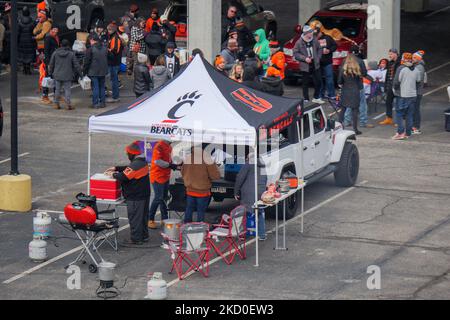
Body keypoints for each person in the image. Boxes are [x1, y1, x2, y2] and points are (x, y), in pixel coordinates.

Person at [106, 142, 151, 245]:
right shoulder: (142, 162)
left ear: (133, 154)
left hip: (135, 196)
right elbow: (129, 168)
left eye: (128, 153)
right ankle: (144, 236)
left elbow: (124, 176)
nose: (127, 155)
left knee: (135, 218)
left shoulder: (135, 165)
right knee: (143, 217)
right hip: (143, 195)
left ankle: (136, 239)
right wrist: (116, 168)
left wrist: (113, 174)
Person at [181, 146, 220, 223]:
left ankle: (186, 228)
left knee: (189, 209)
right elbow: (215, 176)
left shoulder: (188, 157)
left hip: (190, 190)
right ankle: (199, 229)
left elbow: (182, 171)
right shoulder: (207, 159)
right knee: (200, 212)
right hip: (202, 191)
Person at [234, 151, 267, 241]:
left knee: (245, 212)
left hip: (249, 192)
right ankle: (262, 234)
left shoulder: (248, 164)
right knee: (259, 211)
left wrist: (236, 192)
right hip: (261, 191)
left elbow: (240, 178)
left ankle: (242, 234)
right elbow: (265, 178)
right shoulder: (263, 165)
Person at [148, 140, 178, 229]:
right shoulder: (159, 146)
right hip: (157, 176)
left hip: (165, 176)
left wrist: (175, 164)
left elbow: (169, 159)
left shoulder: (169, 146)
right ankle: (150, 219)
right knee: (158, 197)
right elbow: (158, 161)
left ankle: (164, 219)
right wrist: (170, 165)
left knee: (164, 198)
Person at [391, 53, 421, 140]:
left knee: (399, 114)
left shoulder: (401, 68)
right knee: (409, 115)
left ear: (403, 59)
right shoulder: (415, 69)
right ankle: (408, 133)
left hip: (402, 95)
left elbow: (396, 82)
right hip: (413, 95)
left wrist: (394, 90)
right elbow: (418, 81)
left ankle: (400, 133)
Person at [343, 45, 373, 128]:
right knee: (362, 104)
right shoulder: (360, 61)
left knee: (349, 104)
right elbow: (364, 73)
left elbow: (340, 73)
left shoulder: (345, 61)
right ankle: (363, 122)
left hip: (347, 86)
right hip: (358, 86)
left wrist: (341, 83)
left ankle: (347, 121)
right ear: (357, 52)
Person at [48, 39, 81, 110]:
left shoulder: (55, 53)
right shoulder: (71, 54)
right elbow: (76, 65)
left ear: (60, 45)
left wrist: (50, 73)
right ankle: (68, 105)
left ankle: (56, 104)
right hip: (68, 74)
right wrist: (80, 74)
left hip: (57, 74)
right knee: (67, 90)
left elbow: (51, 64)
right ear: (68, 45)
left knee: (57, 90)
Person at [293, 25, 323, 104]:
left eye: (312, 32)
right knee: (305, 82)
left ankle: (316, 97)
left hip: (315, 63)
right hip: (305, 65)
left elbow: (320, 48)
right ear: (306, 33)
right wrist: (304, 58)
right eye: (310, 32)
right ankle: (306, 98)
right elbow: (295, 53)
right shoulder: (299, 42)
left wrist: (318, 57)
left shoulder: (314, 40)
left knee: (319, 81)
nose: (312, 33)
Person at [338, 54, 364, 135]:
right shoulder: (357, 70)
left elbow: (339, 81)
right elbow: (360, 83)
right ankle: (355, 129)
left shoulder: (343, 70)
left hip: (345, 90)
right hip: (355, 91)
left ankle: (339, 127)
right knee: (355, 111)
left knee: (343, 110)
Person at [310, 20, 337, 99]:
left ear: (320, 33)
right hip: (318, 62)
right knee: (319, 80)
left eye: (316, 35)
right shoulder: (313, 39)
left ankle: (331, 94)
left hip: (327, 62)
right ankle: (320, 95)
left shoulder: (328, 38)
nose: (316, 36)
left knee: (329, 79)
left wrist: (329, 50)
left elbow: (335, 46)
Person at [83, 34, 108, 108]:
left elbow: (87, 62)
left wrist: (84, 72)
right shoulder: (104, 48)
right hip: (103, 70)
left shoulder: (90, 49)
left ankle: (95, 103)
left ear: (92, 40)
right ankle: (103, 103)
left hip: (93, 71)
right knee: (102, 87)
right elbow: (110, 56)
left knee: (95, 87)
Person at [379, 48, 400, 125]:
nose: (389, 55)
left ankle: (398, 121)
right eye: (389, 54)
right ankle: (389, 118)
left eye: (391, 54)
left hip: (397, 87)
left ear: (395, 54)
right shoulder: (390, 63)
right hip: (389, 85)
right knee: (388, 102)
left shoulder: (400, 62)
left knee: (398, 104)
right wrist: (385, 86)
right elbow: (387, 76)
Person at [106, 22, 123, 103]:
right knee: (114, 79)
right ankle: (115, 96)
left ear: (111, 30)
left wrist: (108, 50)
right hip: (115, 62)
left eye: (108, 30)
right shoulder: (114, 37)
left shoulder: (115, 38)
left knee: (114, 80)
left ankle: (115, 97)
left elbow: (115, 50)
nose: (107, 31)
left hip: (114, 62)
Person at [42, 26, 59, 104]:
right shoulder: (48, 38)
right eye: (54, 30)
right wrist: (48, 63)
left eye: (56, 30)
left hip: (55, 61)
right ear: (51, 30)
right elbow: (46, 51)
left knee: (55, 77)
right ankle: (45, 96)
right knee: (47, 78)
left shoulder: (55, 38)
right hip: (49, 62)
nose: (55, 31)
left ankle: (56, 94)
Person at [18, 7, 36, 75]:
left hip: (22, 41)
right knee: (29, 54)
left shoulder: (20, 22)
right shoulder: (32, 22)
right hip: (30, 40)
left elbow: (18, 33)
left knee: (23, 54)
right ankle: (28, 69)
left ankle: (24, 69)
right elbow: (34, 31)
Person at [412, 50, 426, 135]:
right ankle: (414, 126)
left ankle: (416, 128)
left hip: (417, 92)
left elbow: (417, 80)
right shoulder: (417, 66)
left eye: (414, 57)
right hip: (416, 91)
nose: (412, 59)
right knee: (414, 110)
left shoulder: (419, 67)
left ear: (418, 58)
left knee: (415, 110)